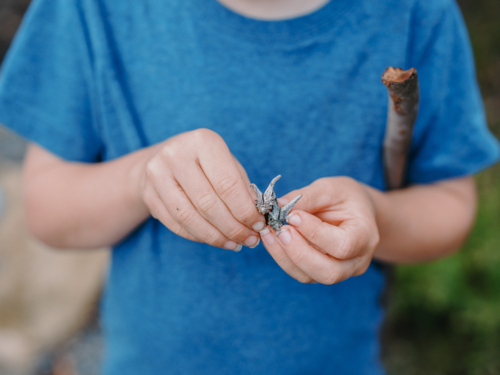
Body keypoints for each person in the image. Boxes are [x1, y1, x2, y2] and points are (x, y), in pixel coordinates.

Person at [0, 0, 498, 373]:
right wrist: (141, 178)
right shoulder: (95, 11)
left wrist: (377, 213)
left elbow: (450, 205)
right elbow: (47, 208)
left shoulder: (416, 13)